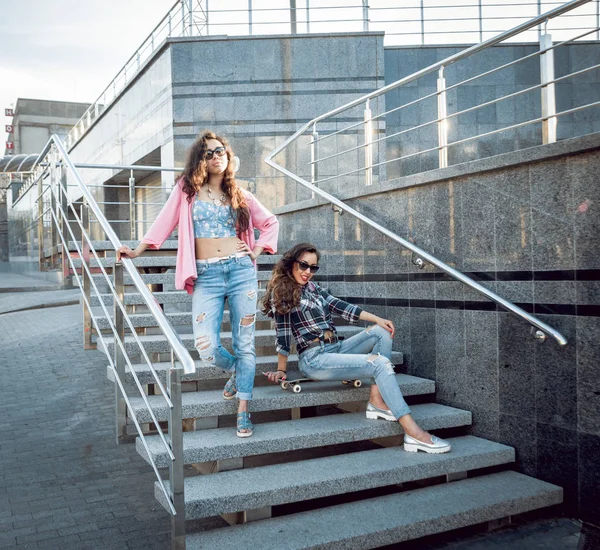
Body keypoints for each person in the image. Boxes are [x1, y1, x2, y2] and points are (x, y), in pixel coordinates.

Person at [118, 131, 279, 438]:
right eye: (209, 153)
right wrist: (137, 250)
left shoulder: (239, 193)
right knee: (206, 346)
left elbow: (270, 222)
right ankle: (236, 370)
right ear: (199, 160)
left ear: (228, 156)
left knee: (245, 344)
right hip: (207, 275)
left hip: (241, 271)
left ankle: (243, 411)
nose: (216, 156)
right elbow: (163, 221)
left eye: (221, 151)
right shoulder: (187, 190)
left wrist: (257, 250)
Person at [262, 243, 451, 454]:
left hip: (336, 347)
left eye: (313, 268)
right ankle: (413, 432)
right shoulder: (281, 293)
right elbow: (283, 335)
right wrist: (281, 369)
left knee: (381, 331)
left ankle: (377, 400)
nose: (308, 272)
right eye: (304, 265)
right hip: (315, 359)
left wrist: (378, 319)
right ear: (291, 264)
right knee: (379, 364)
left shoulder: (314, 289)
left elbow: (343, 307)